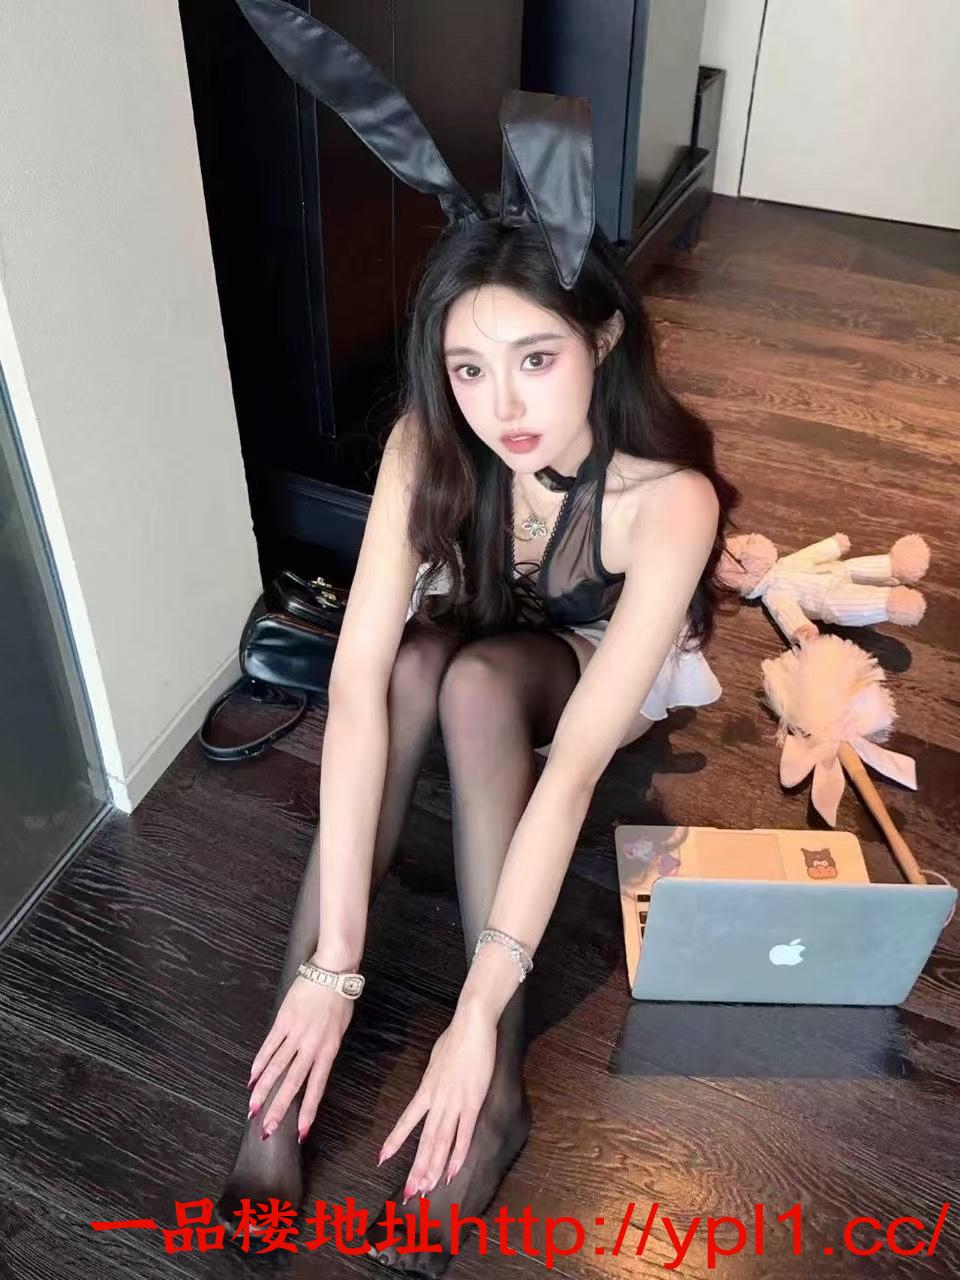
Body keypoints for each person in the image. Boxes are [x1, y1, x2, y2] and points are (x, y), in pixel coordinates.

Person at [217, 6, 740, 1271]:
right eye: (467, 368)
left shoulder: (668, 502)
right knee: (407, 665)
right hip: (474, 618)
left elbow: (573, 772)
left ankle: (494, 1090)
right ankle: (282, 1086)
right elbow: (352, 690)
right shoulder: (428, 443)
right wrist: (339, 965)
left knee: (475, 688)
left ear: (601, 339)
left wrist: (472, 1010)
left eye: (535, 359)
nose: (500, 405)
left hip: (568, 668)